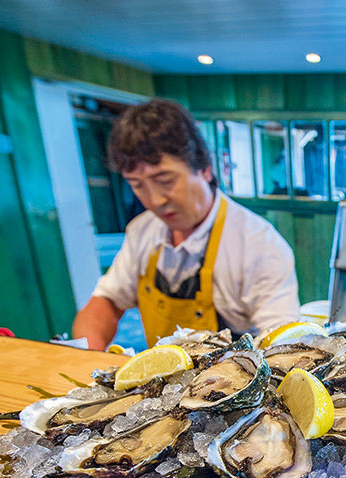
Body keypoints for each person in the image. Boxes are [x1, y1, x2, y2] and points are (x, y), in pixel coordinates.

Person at [72, 99, 300, 350]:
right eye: (137, 185)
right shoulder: (142, 230)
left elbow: (282, 343)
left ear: (205, 168)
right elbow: (105, 303)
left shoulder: (260, 244)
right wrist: (87, 357)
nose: (155, 200)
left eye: (165, 180)